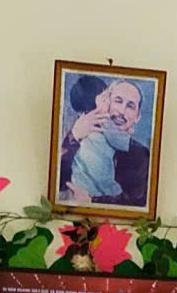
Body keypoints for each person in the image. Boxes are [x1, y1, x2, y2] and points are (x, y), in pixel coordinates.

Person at [59, 76, 148, 208]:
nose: (122, 111)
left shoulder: (142, 155)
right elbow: (58, 180)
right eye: (118, 101)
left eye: (130, 106)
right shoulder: (77, 136)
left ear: (137, 117)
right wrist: (74, 136)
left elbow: (137, 202)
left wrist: (91, 201)